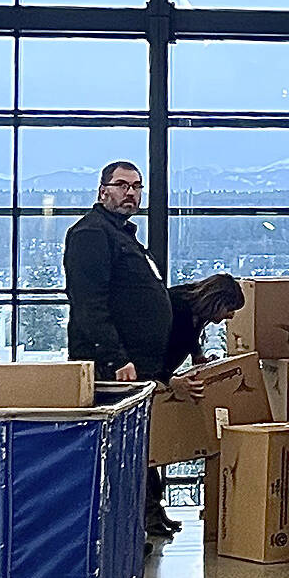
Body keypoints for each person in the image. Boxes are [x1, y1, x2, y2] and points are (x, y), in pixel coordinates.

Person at [64, 160, 176, 538]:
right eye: (122, 185)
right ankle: (119, 532)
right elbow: (89, 303)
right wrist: (115, 358)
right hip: (113, 366)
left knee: (140, 445)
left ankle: (144, 518)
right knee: (119, 450)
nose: (131, 193)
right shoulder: (91, 235)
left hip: (139, 364)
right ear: (102, 191)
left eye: (137, 186)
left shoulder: (125, 237)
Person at [148, 274, 246, 534]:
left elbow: (190, 337)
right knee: (149, 450)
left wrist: (199, 358)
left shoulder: (196, 311)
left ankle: (156, 511)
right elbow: (151, 349)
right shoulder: (175, 306)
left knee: (153, 449)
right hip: (151, 375)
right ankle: (151, 514)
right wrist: (171, 380)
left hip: (164, 373)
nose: (230, 316)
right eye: (230, 309)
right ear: (217, 301)